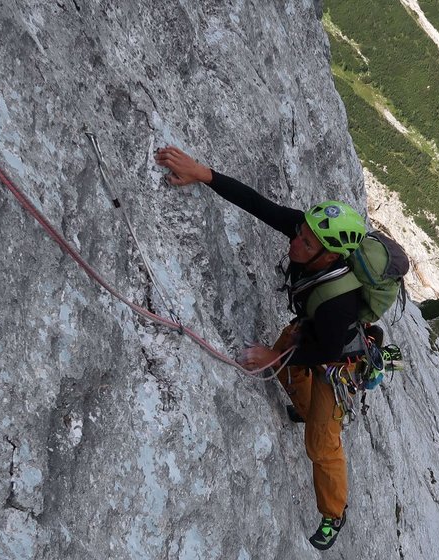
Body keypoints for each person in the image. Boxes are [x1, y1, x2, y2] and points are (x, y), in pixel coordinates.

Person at [155, 146, 365, 551]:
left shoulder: (340, 302)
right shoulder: (312, 238)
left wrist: (275, 356)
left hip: (338, 358)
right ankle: (304, 410)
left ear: (329, 255)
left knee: (322, 443)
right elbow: (258, 204)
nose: (297, 241)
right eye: (301, 233)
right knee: (285, 364)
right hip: (312, 332)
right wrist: (204, 172)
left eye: (307, 242)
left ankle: (333, 514)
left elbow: (327, 350)